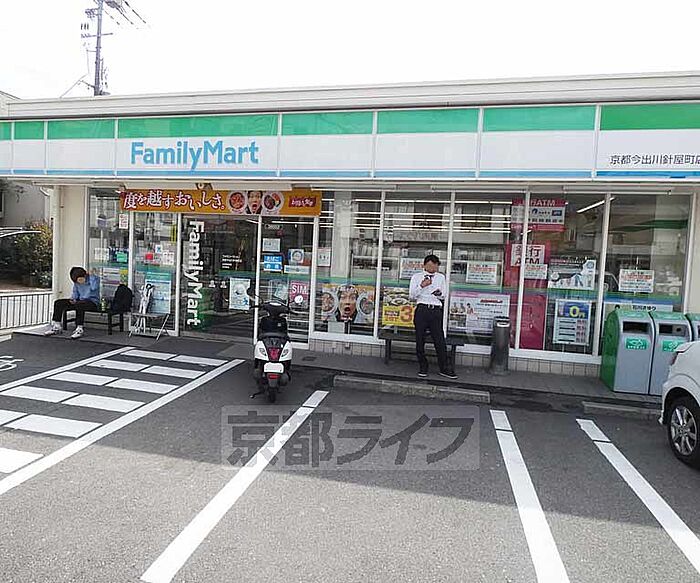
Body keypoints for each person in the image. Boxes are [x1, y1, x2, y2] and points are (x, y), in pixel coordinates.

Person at [409, 255, 457, 379]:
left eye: (435, 265)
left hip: (435, 310)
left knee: (439, 339)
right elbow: (412, 296)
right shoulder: (416, 277)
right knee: (420, 339)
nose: (433, 268)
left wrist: (439, 293)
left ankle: (444, 367)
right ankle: (423, 366)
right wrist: (422, 286)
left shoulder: (441, 277)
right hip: (422, 309)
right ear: (424, 265)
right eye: (430, 265)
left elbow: (444, 295)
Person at [44, 266, 100, 339]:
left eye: (80, 279)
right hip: (79, 301)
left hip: (92, 302)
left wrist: (92, 276)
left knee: (80, 305)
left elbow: (94, 287)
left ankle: (79, 328)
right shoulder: (77, 283)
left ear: (85, 275)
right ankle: (56, 326)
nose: (79, 282)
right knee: (58, 303)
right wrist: (73, 299)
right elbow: (75, 292)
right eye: (77, 281)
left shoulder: (94, 279)